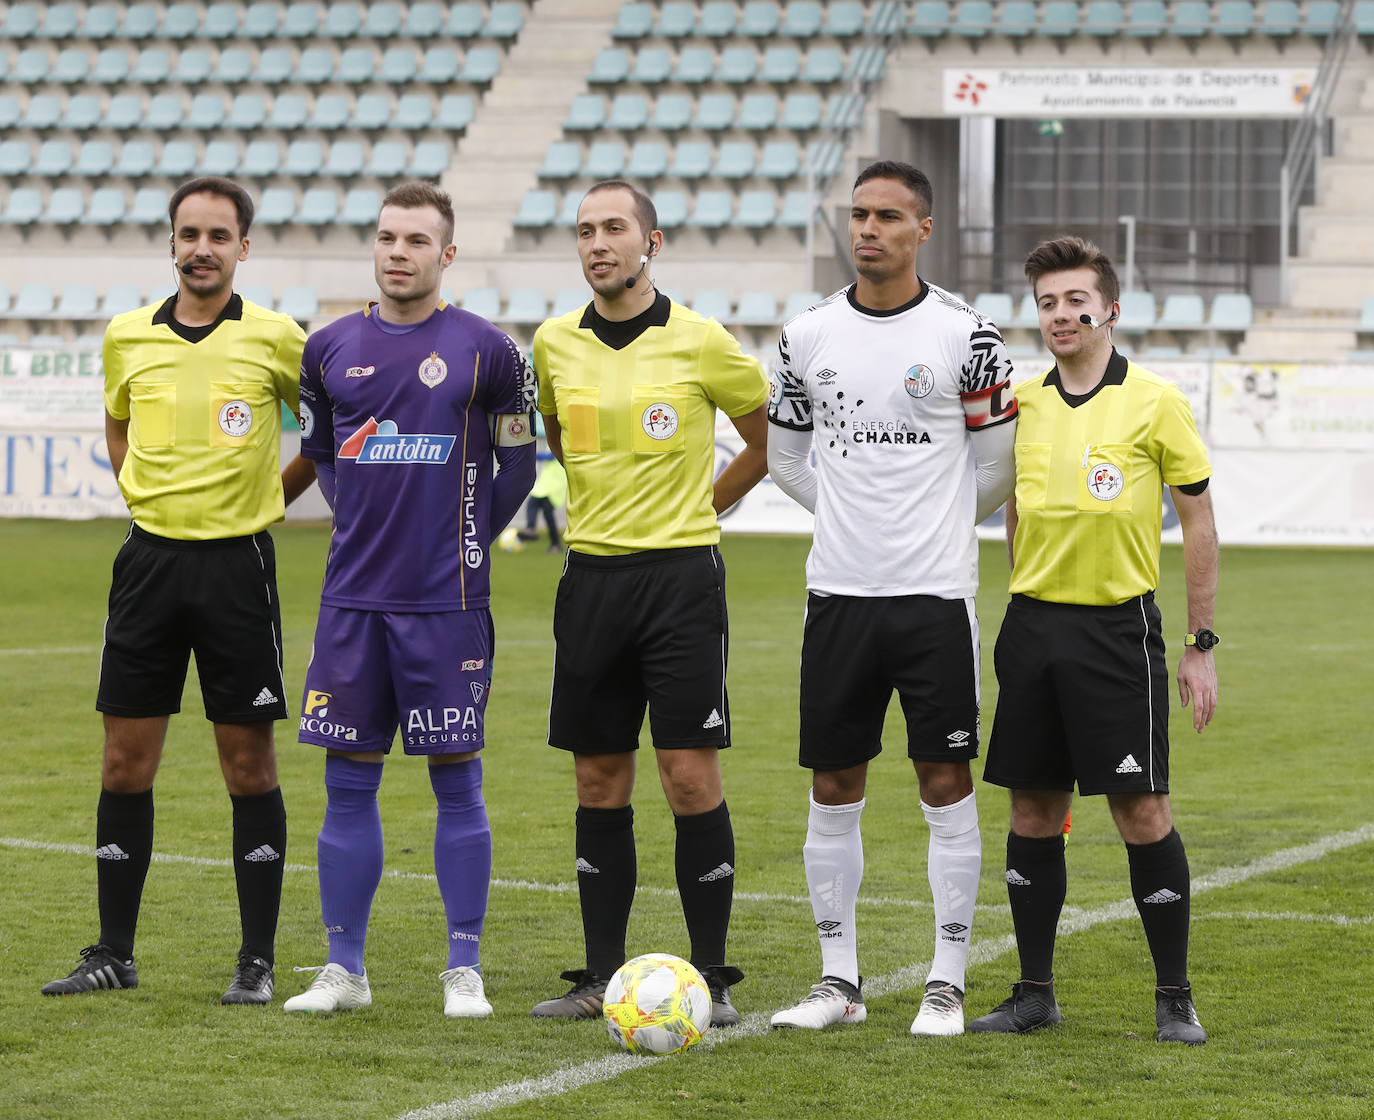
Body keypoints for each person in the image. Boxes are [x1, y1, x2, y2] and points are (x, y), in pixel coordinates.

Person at [42, 177, 311, 1004]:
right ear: (171, 242)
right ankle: (112, 953)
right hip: (148, 566)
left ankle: (256, 960)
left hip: (237, 567)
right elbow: (118, 422)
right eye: (189, 233)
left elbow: (328, 437)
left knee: (248, 763)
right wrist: (140, 487)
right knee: (125, 761)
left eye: (218, 235)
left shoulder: (277, 337)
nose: (202, 248)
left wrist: (275, 497)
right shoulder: (128, 336)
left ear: (242, 247)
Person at [766, 161, 1019, 1036]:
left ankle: (945, 981)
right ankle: (838, 981)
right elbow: (787, 457)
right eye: (858, 214)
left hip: (935, 598)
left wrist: (936, 526)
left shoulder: (969, 336)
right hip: (837, 594)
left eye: (887, 216)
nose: (867, 228)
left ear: (924, 229)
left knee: (945, 783)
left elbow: (996, 467)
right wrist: (848, 517)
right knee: (833, 786)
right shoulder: (806, 334)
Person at [280, 183, 536, 1018]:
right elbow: (322, 459)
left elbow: (519, 468)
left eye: (417, 241)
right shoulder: (326, 350)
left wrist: (465, 547)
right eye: (388, 237)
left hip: (447, 606)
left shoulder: (488, 350)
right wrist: (363, 521)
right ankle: (344, 970)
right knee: (347, 784)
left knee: (456, 782)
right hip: (353, 603)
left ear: (447, 255)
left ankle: (464, 967)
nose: (399, 252)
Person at [528, 180, 769, 1027]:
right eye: (586, 230)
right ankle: (599, 975)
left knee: (689, 776)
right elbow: (559, 436)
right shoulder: (553, 343)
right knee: (598, 780)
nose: (598, 243)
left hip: (679, 584)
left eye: (615, 228)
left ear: (650, 244)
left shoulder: (701, 339)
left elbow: (764, 439)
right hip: (591, 580)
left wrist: (709, 504)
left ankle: (714, 979)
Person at [968, 236, 1218, 1045]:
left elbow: (1200, 518)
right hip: (1034, 627)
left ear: (1110, 308)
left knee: (1141, 811)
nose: (1062, 314)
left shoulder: (1155, 400)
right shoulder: (1026, 403)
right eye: (1047, 302)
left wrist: (1199, 642)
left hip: (1120, 631)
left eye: (1077, 300)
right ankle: (1035, 991)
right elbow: (1011, 508)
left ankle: (1173, 996)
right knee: (1034, 809)